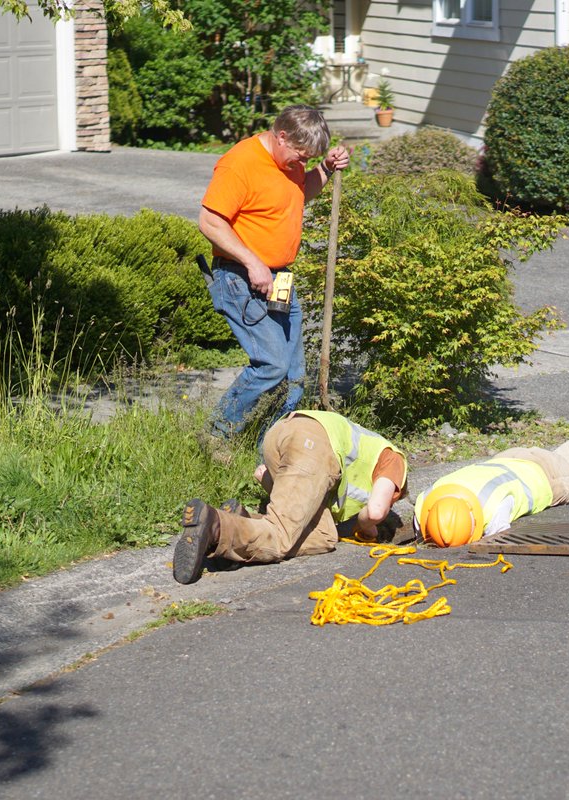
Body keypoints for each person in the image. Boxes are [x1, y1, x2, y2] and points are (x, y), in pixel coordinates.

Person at [198, 105, 351, 440]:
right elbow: (210, 221)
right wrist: (253, 262)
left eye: (309, 158)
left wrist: (324, 169)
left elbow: (299, 194)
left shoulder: (291, 163)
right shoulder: (241, 163)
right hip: (240, 277)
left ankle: (276, 447)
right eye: (300, 156)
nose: (302, 164)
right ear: (281, 136)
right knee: (272, 365)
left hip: (281, 278)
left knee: (295, 375)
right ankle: (215, 434)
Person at [174, 410, 408, 585]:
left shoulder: (368, 448)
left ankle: (241, 522)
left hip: (283, 433)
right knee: (282, 536)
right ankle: (215, 525)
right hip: (313, 445)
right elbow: (376, 511)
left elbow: (272, 479)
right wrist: (369, 530)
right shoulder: (395, 461)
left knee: (326, 535)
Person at [413, 413, 569, 547]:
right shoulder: (427, 497)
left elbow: (498, 536)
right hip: (514, 459)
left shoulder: (493, 510)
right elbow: (420, 520)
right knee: (565, 456)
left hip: (549, 479)